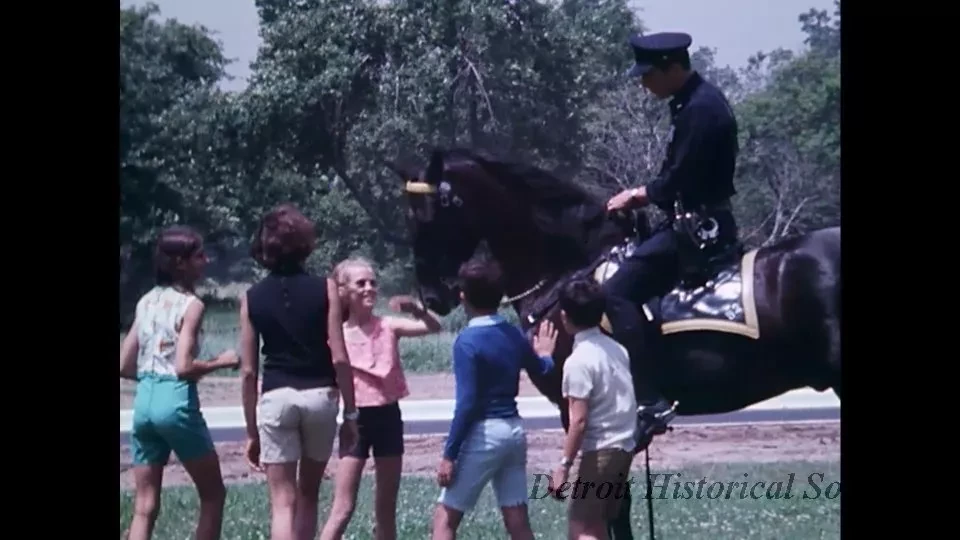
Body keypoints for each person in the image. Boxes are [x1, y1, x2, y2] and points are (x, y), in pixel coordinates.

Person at [602, 31, 741, 438]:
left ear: (672, 67)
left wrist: (637, 195)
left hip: (700, 227)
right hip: (687, 217)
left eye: (648, 75)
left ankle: (649, 400)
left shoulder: (701, 110)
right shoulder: (691, 102)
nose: (644, 84)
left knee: (615, 292)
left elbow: (678, 178)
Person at [238, 204, 359, 540]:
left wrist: (251, 431)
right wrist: (350, 413)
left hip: (276, 397)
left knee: (282, 502)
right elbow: (339, 356)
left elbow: (248, 371)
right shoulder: (326, 288)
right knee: (308, 495)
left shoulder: (251, 298)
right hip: (320, 396)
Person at [119, 225, 239, 540]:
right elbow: (184, 366)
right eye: (199, 255)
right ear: (180, 263)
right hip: (175, 401)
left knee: (145, 504)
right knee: (213, 495)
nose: (206, 260)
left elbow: (123, 363)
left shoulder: (146, 301)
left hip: (144, 401)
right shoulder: (192, 305)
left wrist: (152, 376)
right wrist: (222, 362)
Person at [431, 258, 558, 540]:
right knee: (518, 522)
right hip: (513, 432)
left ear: (462, 297)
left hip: (484, 434)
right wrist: (546, 353)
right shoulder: (513, 334)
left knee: (444, 520)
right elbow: (544, 369)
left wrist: (449, 454)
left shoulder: (467, 341)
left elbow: (466, 404)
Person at [320, 257, 444, 540]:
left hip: (388, 416)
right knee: (342, 507)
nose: (369, 289)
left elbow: (433, 327)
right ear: (342, 291)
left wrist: (417, 310)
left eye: (373, 283)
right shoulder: (337, 335)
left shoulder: (388, 326)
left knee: (385, 509)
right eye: (360, 283)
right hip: (356, 419)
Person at [548, 279, 638, 540]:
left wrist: (563, 466)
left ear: (564, 316)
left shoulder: (578, 362)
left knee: (580, 529)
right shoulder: (617, 349)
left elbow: (578, 422)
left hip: (600, 452)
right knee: (597, 525)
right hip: (623, 447)